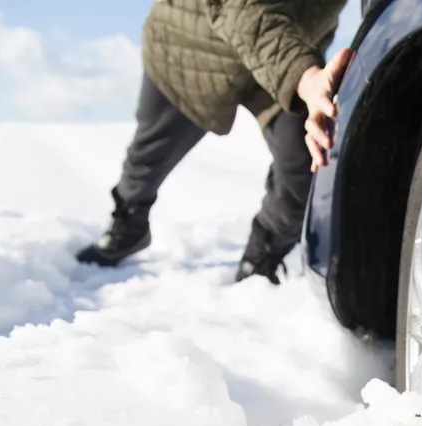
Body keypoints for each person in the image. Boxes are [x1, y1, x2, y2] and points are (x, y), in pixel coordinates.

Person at [75, 0, 350, 284]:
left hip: (286, 52)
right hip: (190, 49)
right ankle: (128, 226)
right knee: (148, 156)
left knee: (307, 163)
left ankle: (260, 260)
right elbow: (243, 8)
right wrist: (305, 77)